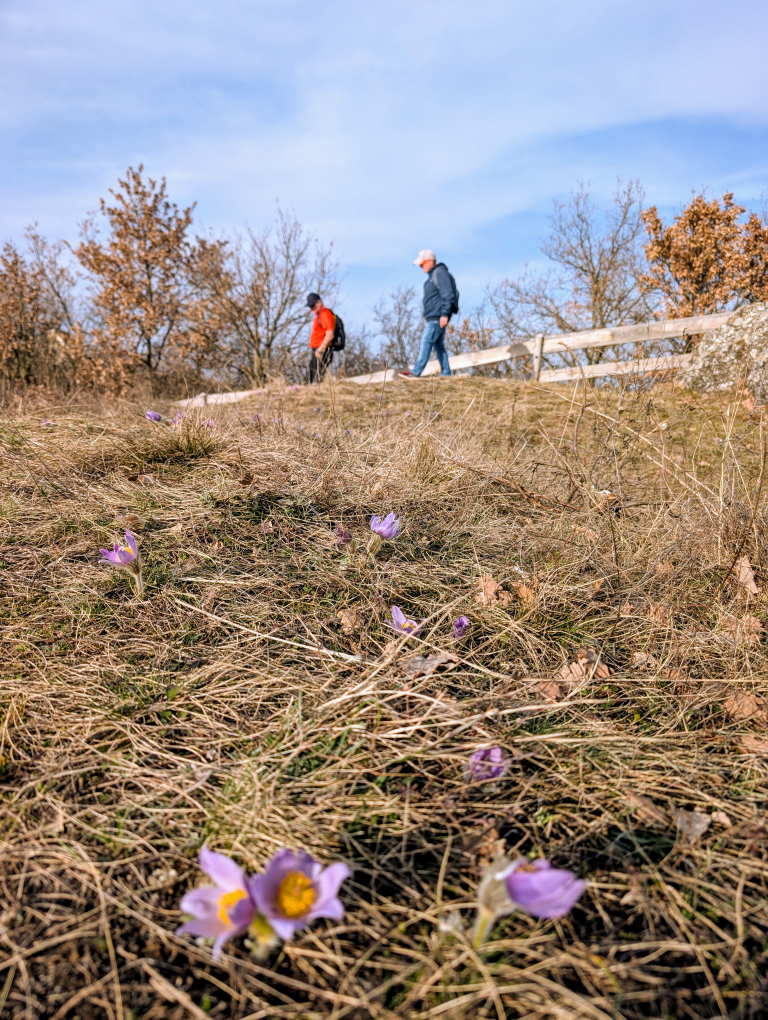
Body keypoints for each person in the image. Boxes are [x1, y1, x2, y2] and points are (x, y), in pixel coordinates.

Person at [398, 250, 457, 379]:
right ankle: (446, 373)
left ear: (430, 262)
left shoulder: (440, 273)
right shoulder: (432, 277)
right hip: (434, 316)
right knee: (438, 346)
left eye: (422, 263)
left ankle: (416, 372)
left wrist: (445, 314)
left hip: (437, 317)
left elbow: (447, 294)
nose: (421, 266)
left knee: (426, 341)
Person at [306, 292, 335, 384]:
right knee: (312, 376)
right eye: (310, 306)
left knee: (316, 378)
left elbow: (330, 334)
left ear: (319, 302)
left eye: (313, 305)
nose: (311, 308)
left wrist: (320, 349)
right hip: (318, 349)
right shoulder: (319, 315)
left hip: (322, 350)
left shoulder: (325, 314)